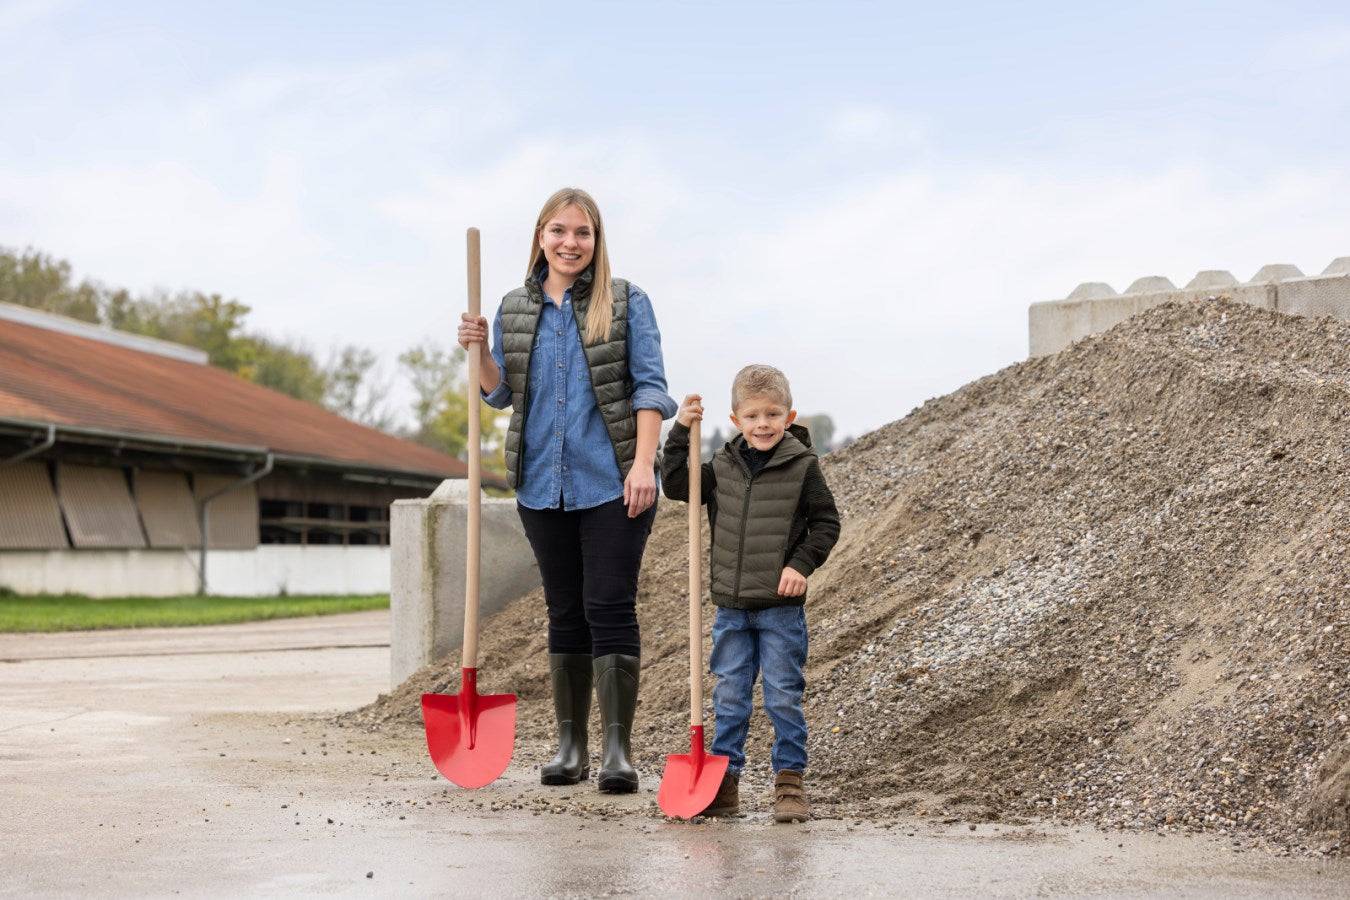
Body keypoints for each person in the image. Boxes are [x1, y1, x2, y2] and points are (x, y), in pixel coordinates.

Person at [457, 188, 677, 793]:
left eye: (582, 233)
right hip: (538, 483)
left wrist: (642, 465)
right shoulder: (513, 306)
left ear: (596, 241)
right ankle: (570, 746)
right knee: (564, 611)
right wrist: (478, 352)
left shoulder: (627, 302)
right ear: (540, 236)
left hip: (612, 480)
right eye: (559, 231)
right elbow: (499, 393)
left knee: (609, 605)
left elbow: (651, 388)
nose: (570, 243)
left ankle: (616, 753)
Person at [661, 364, 840, 822]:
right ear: (737, 420)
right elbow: (678, 486)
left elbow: (826, 524)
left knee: (782, 695)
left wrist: (800, 565)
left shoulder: (803, 466)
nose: (764, 424)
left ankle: (789, 783)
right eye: (754, 416)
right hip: (732, 609)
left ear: (789, 415)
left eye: (773, 414)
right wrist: (680, 430)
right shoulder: (721, 465)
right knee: (730, 697)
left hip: (781, 609)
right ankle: (724, 784)